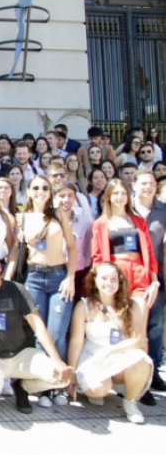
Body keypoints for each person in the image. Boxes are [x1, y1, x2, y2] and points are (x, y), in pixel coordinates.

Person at [0, 249, 74, 414]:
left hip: (20, 356)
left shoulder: (17, 289)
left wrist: (57, 360)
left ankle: (22, 385)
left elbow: (38, 325)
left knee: (60, 378)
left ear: (0, 267)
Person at [18, 174, 78, 407]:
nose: (40, 191)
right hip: (33, 278)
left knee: (57, 334)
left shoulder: (59, 214)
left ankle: (59, 386)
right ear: (29, 191)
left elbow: (72, 249)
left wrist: (71, 278)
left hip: (59, 277)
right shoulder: (22, 217)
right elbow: (17, 250)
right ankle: (44, 385)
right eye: (36, 187)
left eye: (45, 187)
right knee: (39, 335)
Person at [68, 263, 153, 423]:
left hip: (120, 354)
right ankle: (96, 389)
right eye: (104, 278)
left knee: (141, 359)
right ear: (95, 280)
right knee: (99, 390)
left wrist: (110, 351)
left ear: (120, 282)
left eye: (114, 279)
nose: (109, 283)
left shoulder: (132, 305)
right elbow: (76, 342)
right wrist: (71, 374)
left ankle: (130, 402)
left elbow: (139, 339)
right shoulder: (84, 306)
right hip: (93, 357)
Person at [91, 178, 160, 305]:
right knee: (119, 313)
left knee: (140, 309)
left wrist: (154, 281)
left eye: (123, 193)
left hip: (139, 270)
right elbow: (97, 256)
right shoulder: (100, 223)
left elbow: (150, 252)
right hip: (116, 271)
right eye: (116, 193)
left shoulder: (139, 221)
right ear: (108, 197)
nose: (120, 197)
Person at [131, 169, 166, 395]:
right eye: (143, 183)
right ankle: (132, 376)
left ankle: (153, 374)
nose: (148, 187)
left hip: (157, 279)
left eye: (152, 183)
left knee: (154, 328)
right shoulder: (125, 209)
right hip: (130, 279)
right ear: (134, 185)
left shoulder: (163, 211)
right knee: (133, 328)